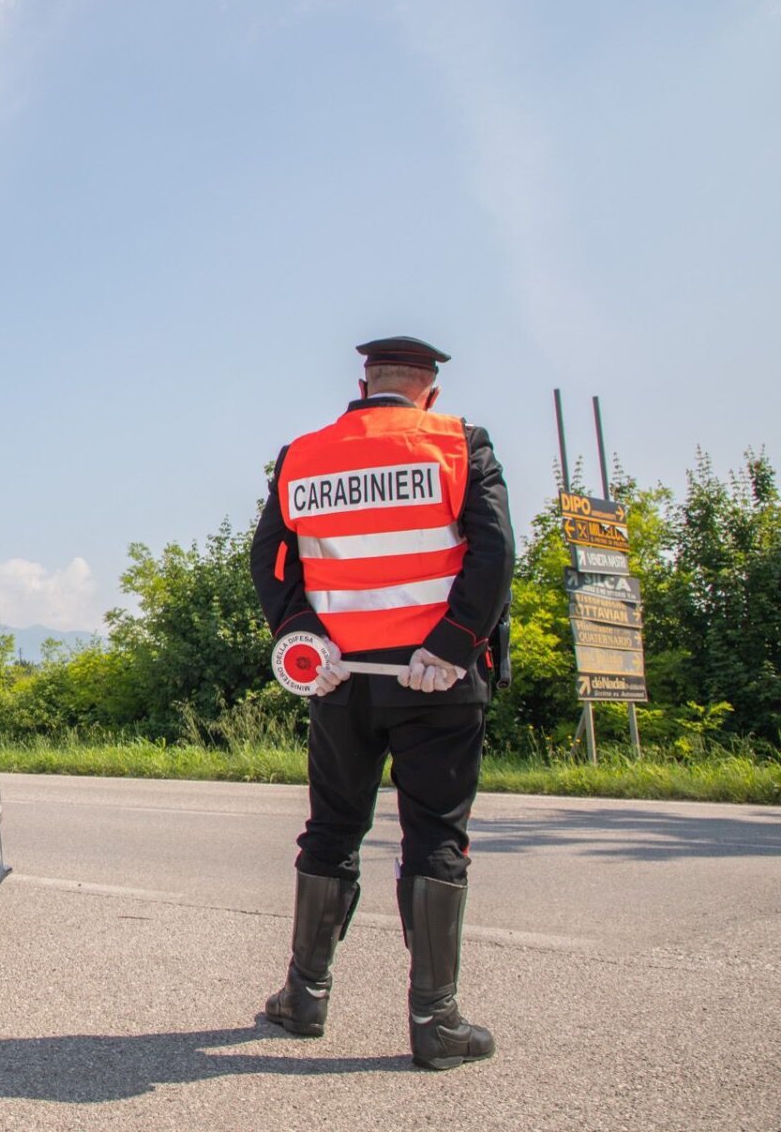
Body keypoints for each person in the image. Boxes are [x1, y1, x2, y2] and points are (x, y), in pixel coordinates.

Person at [249, 336, 514, 1070]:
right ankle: (437, 1023)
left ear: (364, 384)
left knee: (331, 829)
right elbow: (493, 552)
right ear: (428, 390)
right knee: (434, 837)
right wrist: (457, 643)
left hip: (341, 679)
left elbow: (272, 559)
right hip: (437, 680)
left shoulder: (302, 454)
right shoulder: (458, 442)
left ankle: (304, 998)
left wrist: (304, 636)